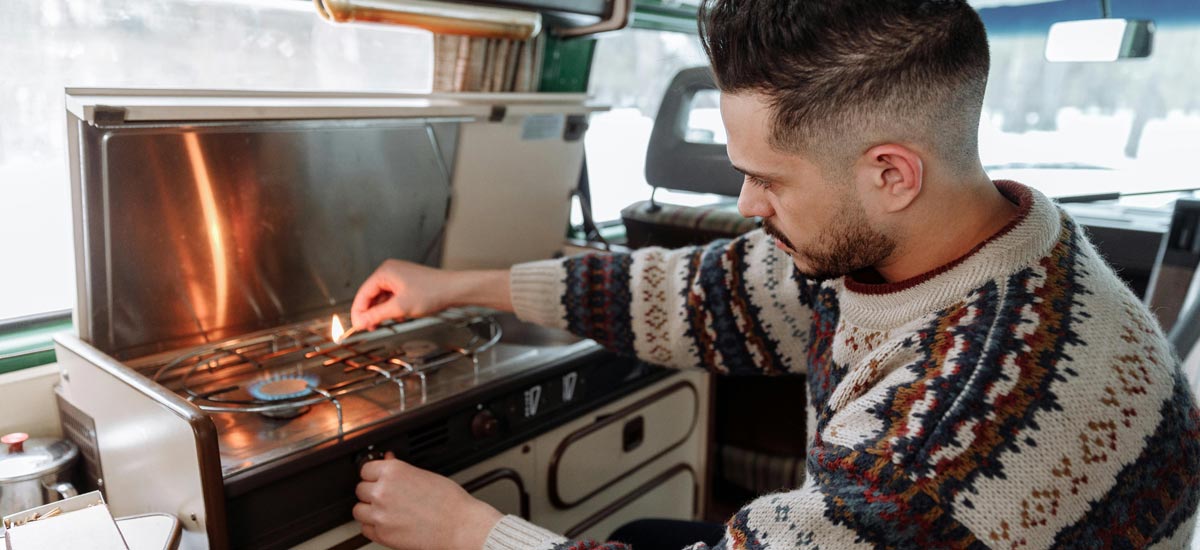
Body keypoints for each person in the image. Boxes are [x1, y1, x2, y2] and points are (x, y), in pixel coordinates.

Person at [348, 0, 1200, 548]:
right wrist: (456, 285)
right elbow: (704, 296)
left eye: (770, 178)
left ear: (891, 174)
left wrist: (467, 530)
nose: (749, 205)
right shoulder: (938, 237)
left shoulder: (953, 437)